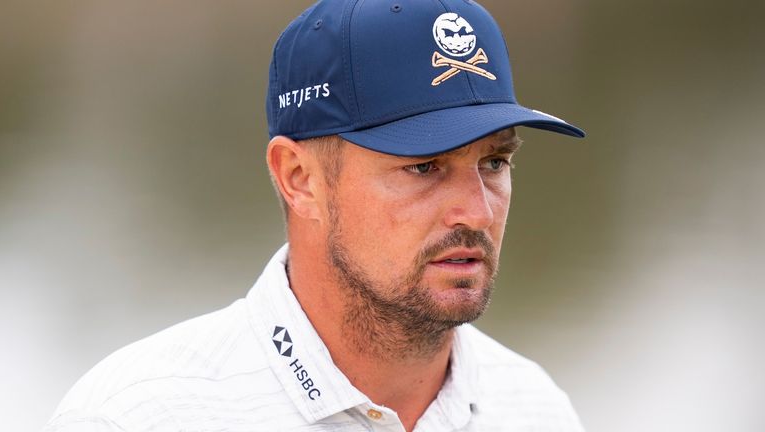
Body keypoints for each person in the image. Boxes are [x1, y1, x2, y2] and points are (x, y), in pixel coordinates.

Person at [45, 0, 586, 431]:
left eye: (494, 161)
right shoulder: (137, 418)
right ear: (299, 179)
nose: (477, 209)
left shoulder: (534, 409)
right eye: (424, 167)